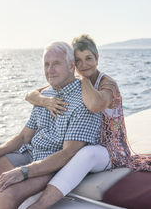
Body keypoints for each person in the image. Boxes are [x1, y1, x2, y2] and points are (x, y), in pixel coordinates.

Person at [0, 41, 101, 209]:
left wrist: (23, 172)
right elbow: (24, 137)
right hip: (29, 154)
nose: (50, 70)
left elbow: (68, 154)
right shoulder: (45, 95)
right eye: (46, 64)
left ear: (71, 66)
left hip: (53, 166)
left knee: (6, 193)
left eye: (56, 64)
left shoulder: (84, 101)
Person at [18, 34, 151, 209]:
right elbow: (31, 95)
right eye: (78, 61)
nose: (84, 65)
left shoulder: (107, 84)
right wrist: (47, 101)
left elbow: (95, 105)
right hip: (85, 141)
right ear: (73, 63)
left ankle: (41, 204)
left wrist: (83, 80)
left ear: (97, 58)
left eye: (89, 58)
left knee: (86, 154)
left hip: (109, 151)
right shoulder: (75, 83)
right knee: (51, 146)